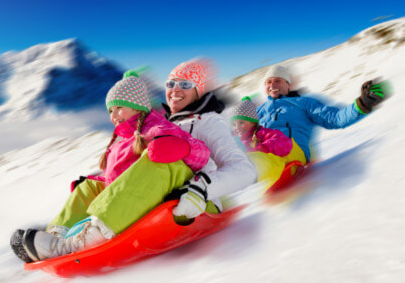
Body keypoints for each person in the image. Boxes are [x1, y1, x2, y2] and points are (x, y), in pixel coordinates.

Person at [11, 71, 210, 262]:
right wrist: (94, 184)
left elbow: (202, 153)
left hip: (163, 188)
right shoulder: (120, 142)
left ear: (137, 107)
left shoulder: (158, 128)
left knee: (153, 160)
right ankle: (58, 236)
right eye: (111, 111)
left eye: (119, 108)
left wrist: (179, 147)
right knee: (88, 186)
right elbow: (117, 177)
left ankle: (85, 240)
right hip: (132, 195)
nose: (114, 116)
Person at [162, 61, 257, 220]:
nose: (175, 89)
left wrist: (201, 188)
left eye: (185, 84)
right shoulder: (164, 125)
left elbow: (244, 170)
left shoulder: (208, 122)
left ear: (198, 92)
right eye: (171, 83)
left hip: (194, 202)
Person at [257, 65, 388, 163]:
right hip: (263, 157)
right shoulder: (260, 110)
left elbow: (335, 118)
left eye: (278, 80)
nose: (272, 84)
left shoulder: (303, 103)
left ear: (288, 85)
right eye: (269, 82)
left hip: (291, 154)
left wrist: (362, 104)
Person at [231, 97, 294, 190]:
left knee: (249, 160)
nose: (237, 127)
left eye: (241, 122)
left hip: (273, 166)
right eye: (234, 124)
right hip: (252, 171)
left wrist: (263, 147)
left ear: (253, 122)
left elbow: (285, 142)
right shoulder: (236, 140)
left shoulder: (261, 133)